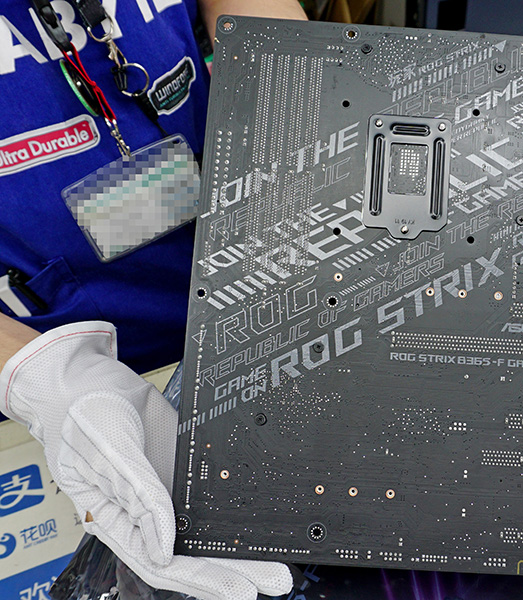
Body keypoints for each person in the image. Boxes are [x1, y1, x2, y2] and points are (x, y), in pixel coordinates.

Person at [0, 2, 306, 598]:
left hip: (248, 274)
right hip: (55, 341)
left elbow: (281, 46)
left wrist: (312, 126)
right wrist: (47, 380)